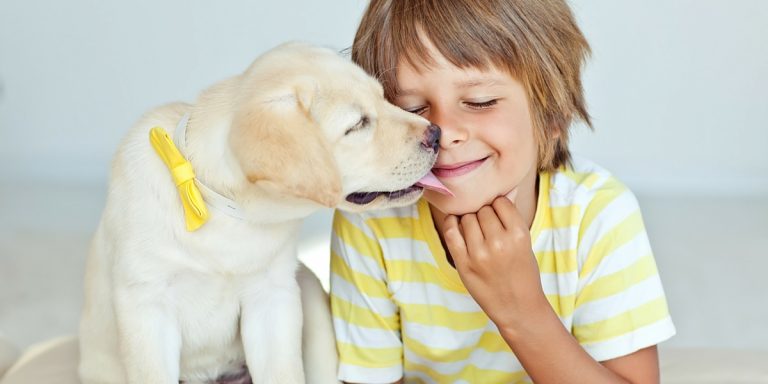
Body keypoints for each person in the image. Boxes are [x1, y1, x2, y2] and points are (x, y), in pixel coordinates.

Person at [329, 0, 676, 383]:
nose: (444, 131)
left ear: (552, 116)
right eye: (412, 108)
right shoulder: (371, 219)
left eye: (480, 102)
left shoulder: (599, 215)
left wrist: (521, 312)